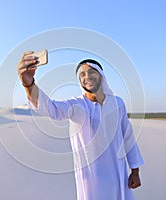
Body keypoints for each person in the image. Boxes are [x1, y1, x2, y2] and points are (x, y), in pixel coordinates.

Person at [17, 51, 144, 200]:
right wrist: (28, 84)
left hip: (117, 173)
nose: (87, 76)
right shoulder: (76, 105)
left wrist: (135, 171)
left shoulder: (118, 103)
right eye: (82, 74)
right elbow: (50, 108)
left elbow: (128, 137)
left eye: (91, 72)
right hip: (91, 178)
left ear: (101, 75)